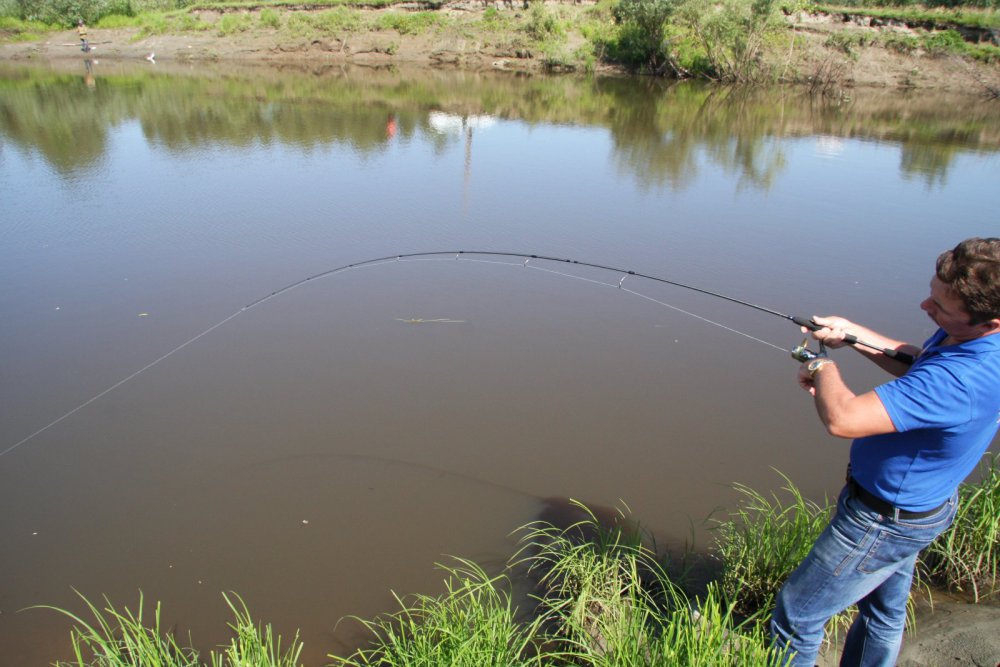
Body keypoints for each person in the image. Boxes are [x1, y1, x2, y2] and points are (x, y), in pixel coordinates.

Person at [770, 237, 1000, 667]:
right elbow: (919, 362)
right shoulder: (973, 339)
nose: (924, 307)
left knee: (796, 617)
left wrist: (822, 367)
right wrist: (853, 336)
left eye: (940, 307)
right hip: (919, 507)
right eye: (932, 294)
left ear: (990, 319)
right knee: (883, 614)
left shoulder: (966, 378)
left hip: (881, 521)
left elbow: (843, 418)